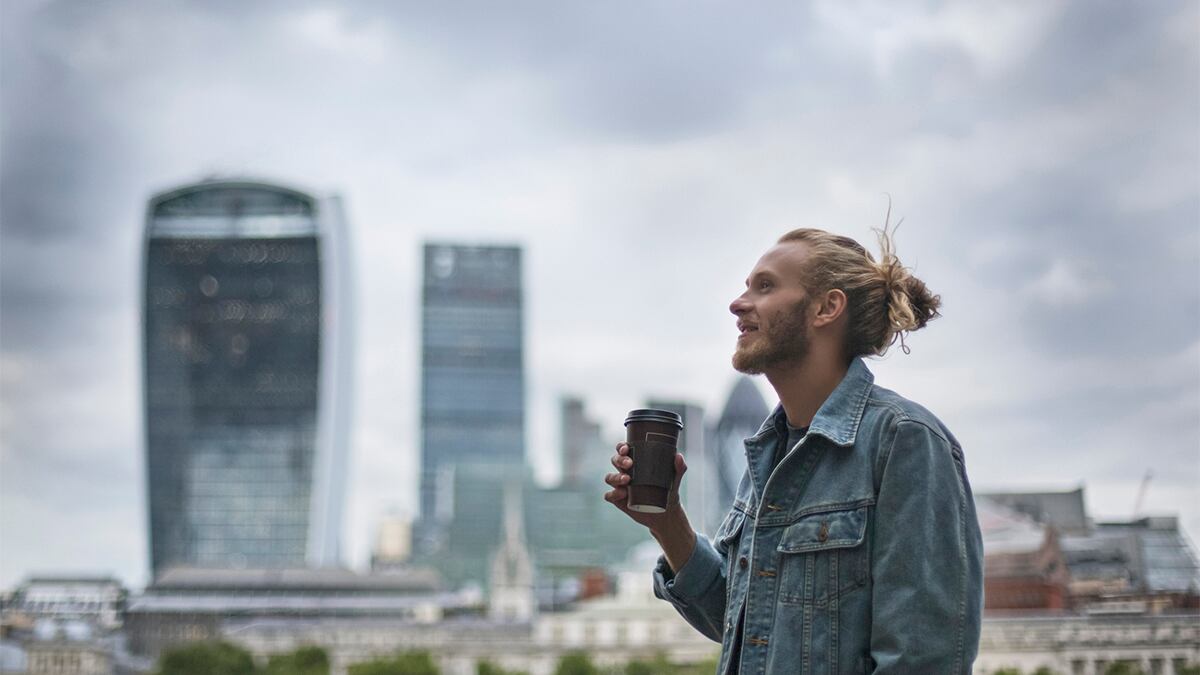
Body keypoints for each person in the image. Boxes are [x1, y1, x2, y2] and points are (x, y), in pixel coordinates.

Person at [603, 227, 984, 674]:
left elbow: (921, 661)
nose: (737, 303)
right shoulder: (768, 454)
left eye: (764, 286)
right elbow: (746, 624)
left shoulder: (905, 441)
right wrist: (668, 523)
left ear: (827, 308)